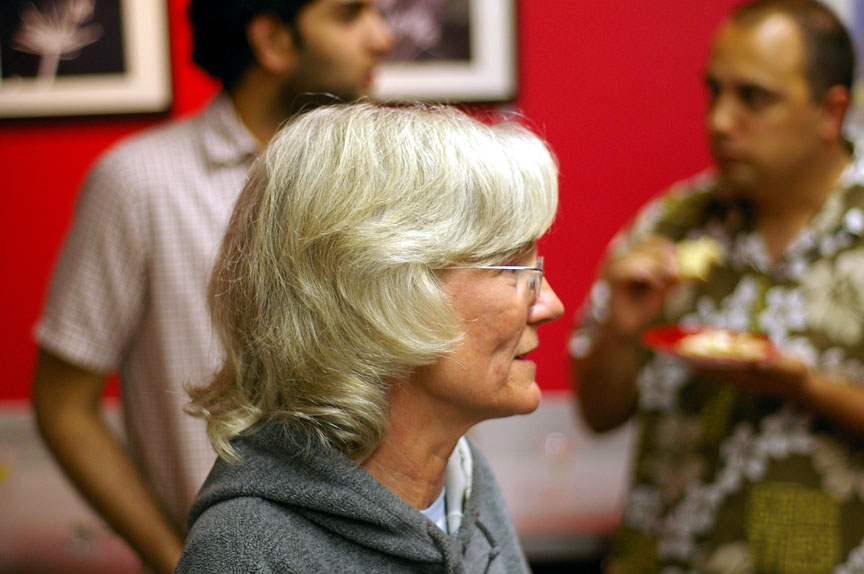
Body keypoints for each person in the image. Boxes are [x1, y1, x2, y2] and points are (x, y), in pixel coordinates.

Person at [30, 2, 393, 572]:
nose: (382, 37)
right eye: (349, 15)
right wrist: (176, 559)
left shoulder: (385, 179)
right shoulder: (141, 184)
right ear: (273, 39)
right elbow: (63, 406)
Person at [174, 102, 564, 573]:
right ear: (384, 294)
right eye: (515, 269)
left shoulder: (464, 478)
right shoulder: (247, 553)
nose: (550, 305)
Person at [571, 1, 864, 572]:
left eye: (753, 98)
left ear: (831, 111)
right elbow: (597, 415)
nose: (721, 121)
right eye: (714, 92)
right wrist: (622, 332)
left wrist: (806, 386)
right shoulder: (673, 223)